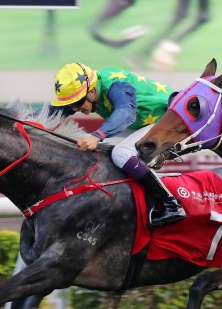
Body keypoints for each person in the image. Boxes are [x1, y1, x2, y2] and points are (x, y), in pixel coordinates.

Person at [50, 63, 186, 227]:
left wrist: (97, 135)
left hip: (167, 121)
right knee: (105, 149)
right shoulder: (90, 89)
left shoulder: (115, 84)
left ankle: (170, 204)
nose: (74, 108)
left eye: (77, 103)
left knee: (121, 153)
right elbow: (52, 113)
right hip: (147, 125)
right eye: (71, 104)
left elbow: (125, 113)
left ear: (92, 92)